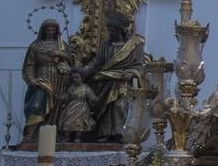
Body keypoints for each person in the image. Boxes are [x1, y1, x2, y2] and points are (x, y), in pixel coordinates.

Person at [80, 12, 146, 141]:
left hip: (123, 83)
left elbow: (140, 66)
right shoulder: (106, 45)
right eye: (109, 30)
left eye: (113, 30)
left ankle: (121, 134)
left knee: (119, 106)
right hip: (106, 82)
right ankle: (105, 134)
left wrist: (131, 73)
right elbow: (96, 61)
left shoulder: (134, 45)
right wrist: (85, 69)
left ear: (120, 30)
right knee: (106, 109)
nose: (111, 33)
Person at [22, 19, 69, 141]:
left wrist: (59, 53)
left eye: (53, 29)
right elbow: (30, 64)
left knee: (57, 105)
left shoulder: (61, 44)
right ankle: (31, 134)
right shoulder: (35, 45)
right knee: (36, 104)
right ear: (43, 30)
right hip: (42, 77)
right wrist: (31, 79)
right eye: (48, 29)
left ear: (56, 30)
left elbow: (72, 60)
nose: (50, 31)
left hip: (59, 77)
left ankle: (53, 133)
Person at [58, 70, 96, 141]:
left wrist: (94, 99)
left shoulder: (86, 88)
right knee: (67, 122)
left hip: (82, 107)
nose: (75, 80)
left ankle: (78, 137)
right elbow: (67, 96)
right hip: (71, 106)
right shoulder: (71, 88)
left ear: (82, 78)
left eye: (77, 77)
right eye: (73, 78)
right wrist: (62, 98)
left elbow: (91, 96)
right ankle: (66, 136)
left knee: (79, 123)